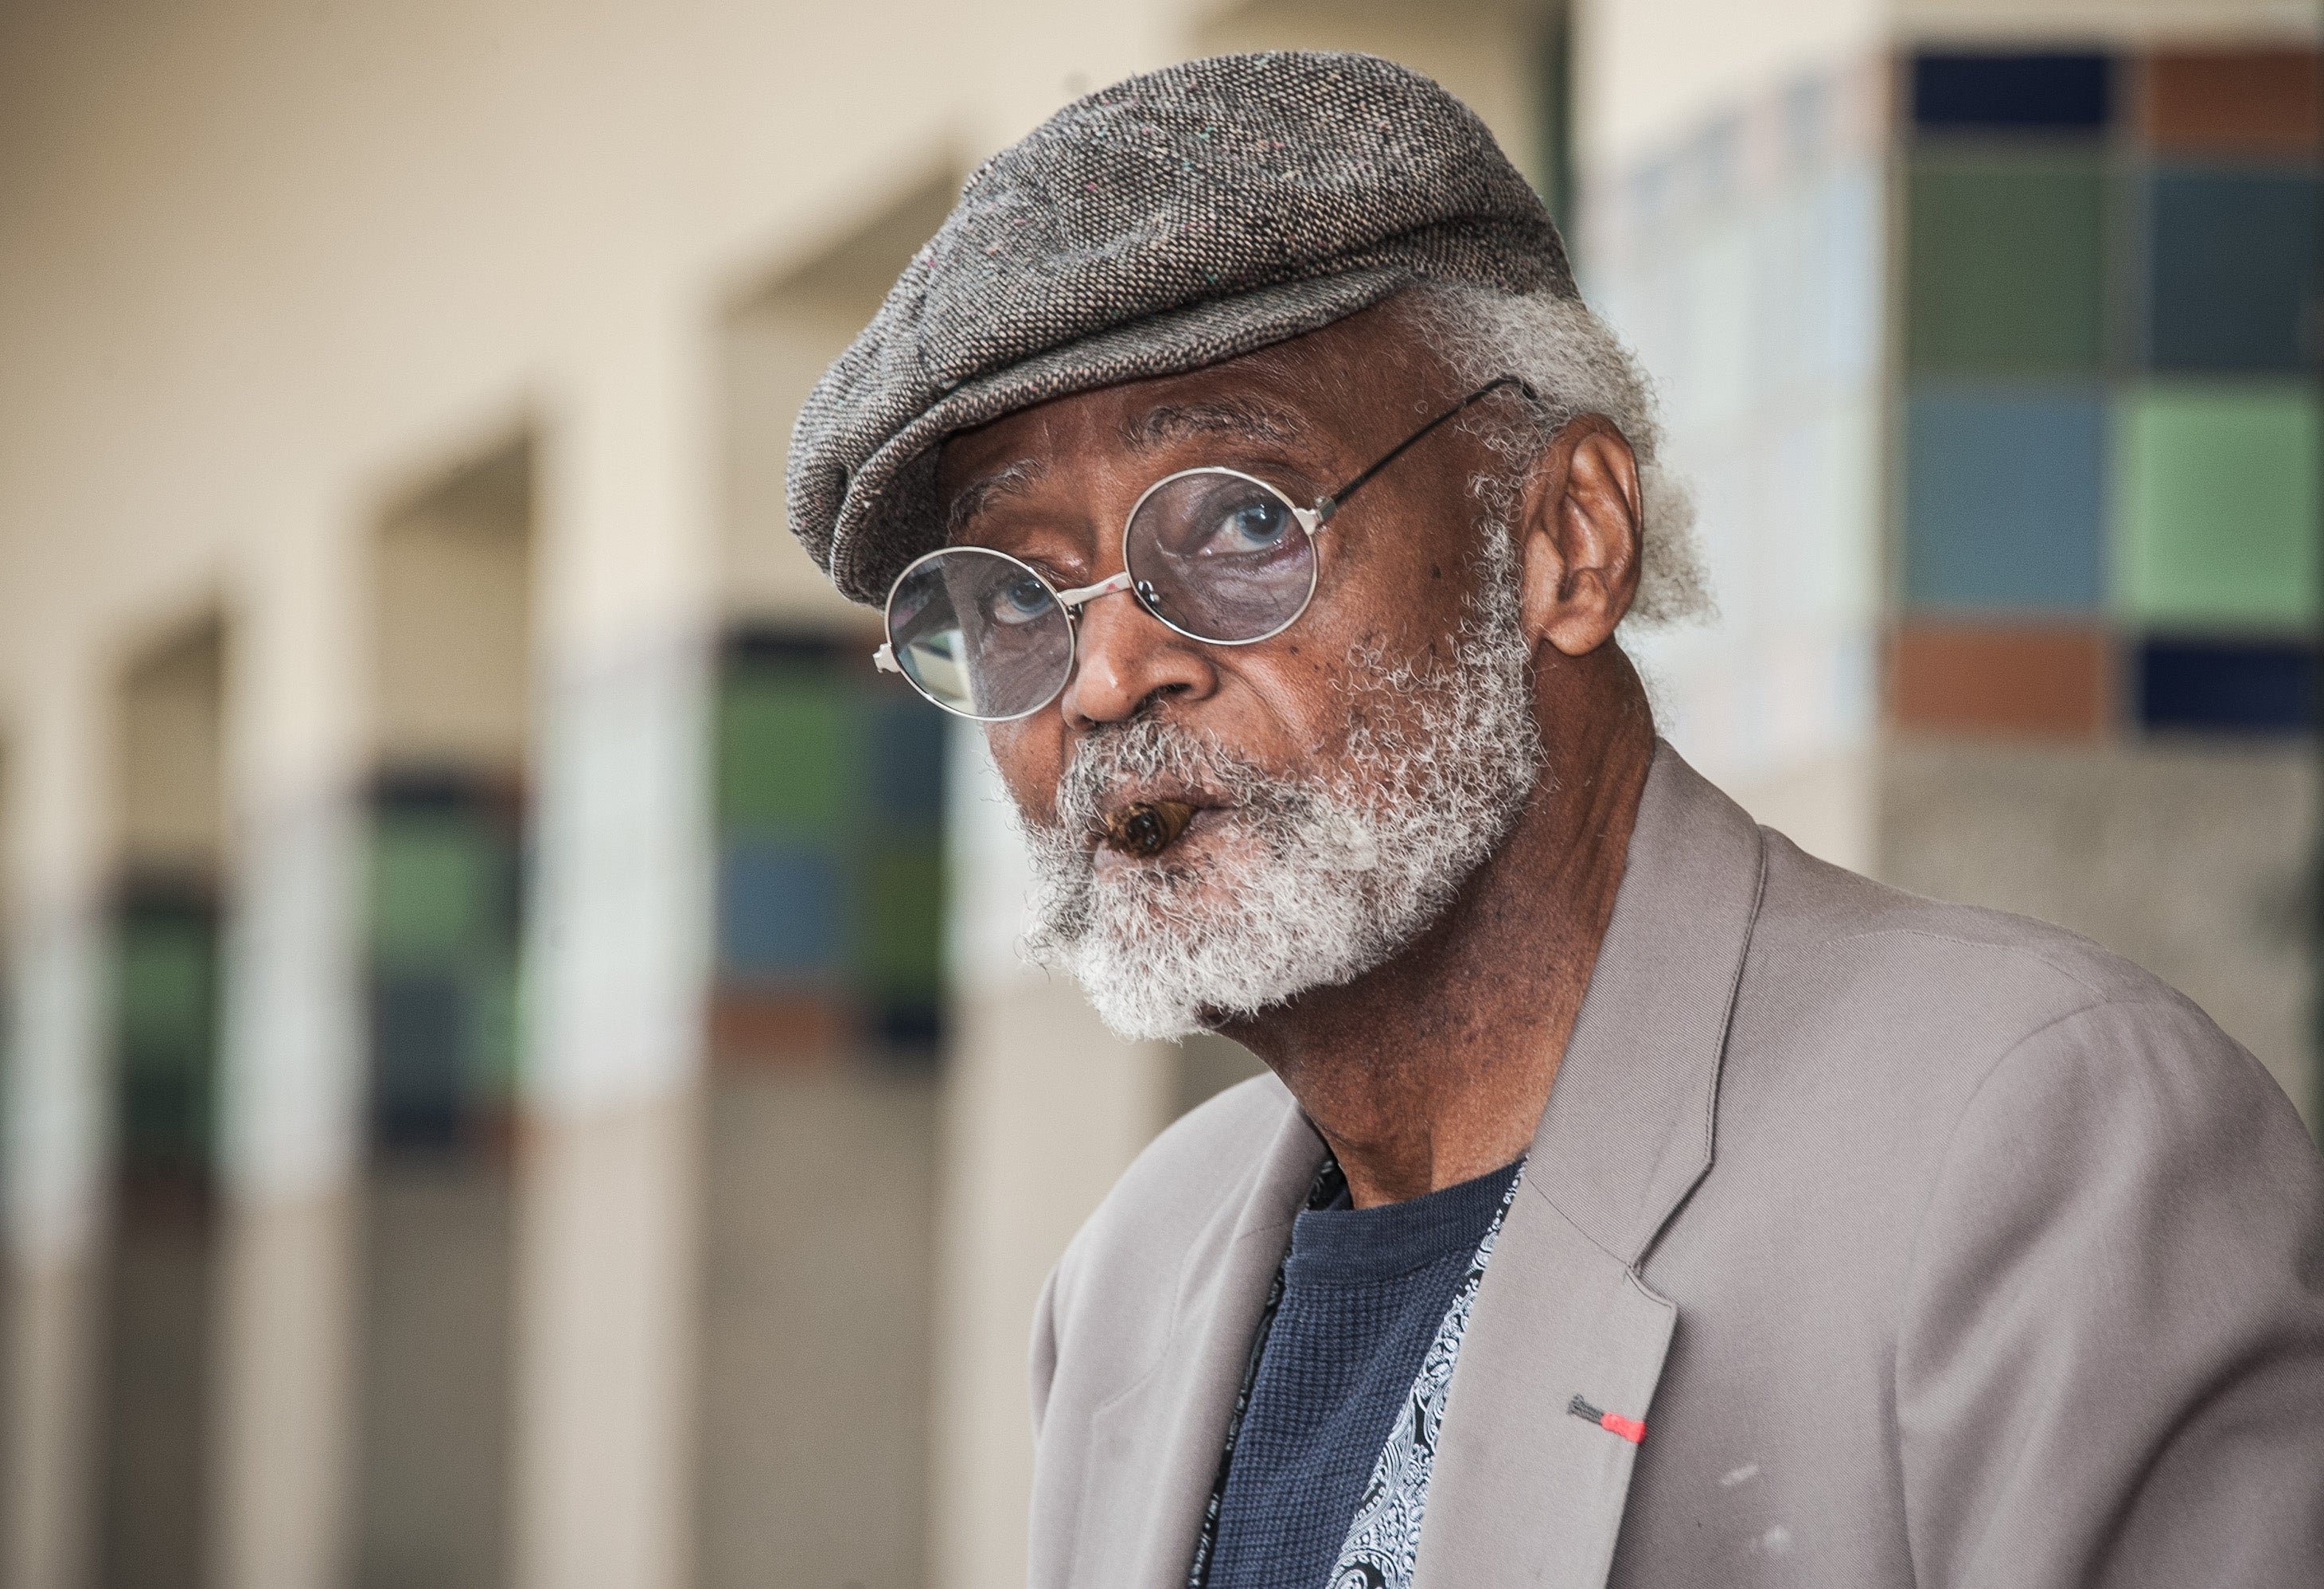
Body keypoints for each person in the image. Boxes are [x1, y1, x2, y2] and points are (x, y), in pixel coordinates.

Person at [786, 51, 2324, 1589]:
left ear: (1566, 540)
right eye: (1013, 596)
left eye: (1247, 521)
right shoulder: (1131, 1276)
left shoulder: (2035, 1142)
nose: (1110, 672)